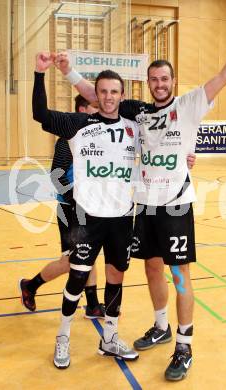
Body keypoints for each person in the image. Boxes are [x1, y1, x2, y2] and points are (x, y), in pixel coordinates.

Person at [55, 18, 226, 381]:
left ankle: (184, 345)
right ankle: (160, 325)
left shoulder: (188, 105)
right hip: (145, 207)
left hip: (175, 205)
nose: (159, 84)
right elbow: (97, 95)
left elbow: (225, 74)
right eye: (153, 79)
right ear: (148, 83)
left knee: (180, 275)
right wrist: (69, 71)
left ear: (172, 81)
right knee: (151, 267)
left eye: (164, 79)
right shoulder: (136, 111)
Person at [32, 53, 140, 369]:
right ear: (96, 94)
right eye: (103, 91)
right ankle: (62, 339)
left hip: (122, 218)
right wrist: (40, 73)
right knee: (78, 278)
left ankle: (110, 338)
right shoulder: (80, 124)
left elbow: (165, 142)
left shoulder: (134, 126)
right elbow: (40, 113)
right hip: (86, 218)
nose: (108, 97)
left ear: (122, 95)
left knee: (116, 278)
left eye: (114, 92)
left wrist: (188, 155)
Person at [19, 95, 106, 320]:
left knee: (89, 255)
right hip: (70, 209)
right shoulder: (68, 139)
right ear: (81, 110)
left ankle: (93, 306)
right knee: (69, 262)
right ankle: (31, 286)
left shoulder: (95, 138)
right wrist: (76, 197)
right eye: (94, 107)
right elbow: (57, 175)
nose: (98, 111)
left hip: (87, 208)